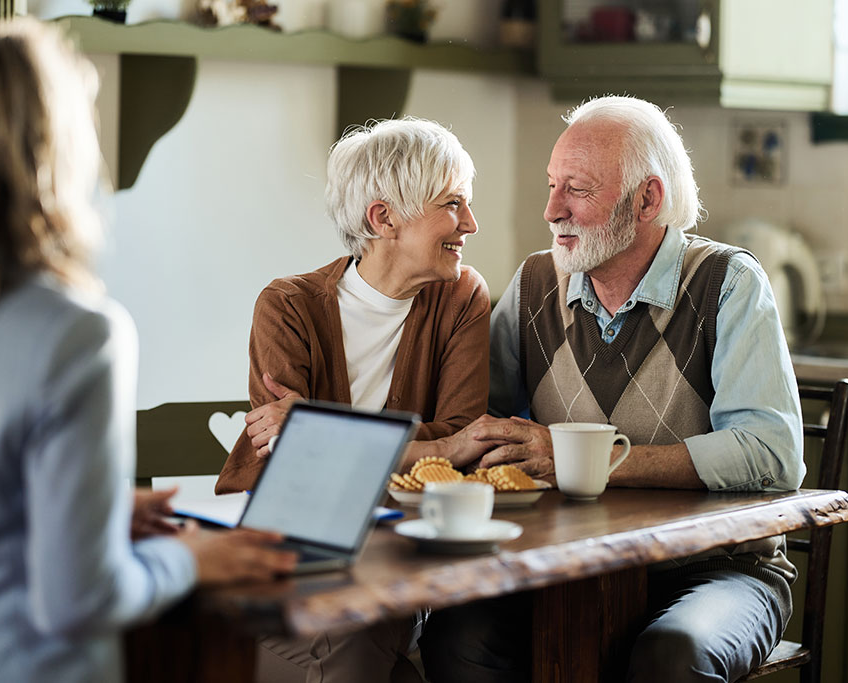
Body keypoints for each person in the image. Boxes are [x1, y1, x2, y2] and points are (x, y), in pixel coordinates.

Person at [0, 19, 296, 683]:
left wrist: (92, 510)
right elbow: (79, 598)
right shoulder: (77, 334)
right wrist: (193, 559)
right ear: (55, 149)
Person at [419, 95, 805, 683]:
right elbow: (478, 425)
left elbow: (773, 453)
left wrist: (589, 463)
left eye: (577, 189)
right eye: (552, 185)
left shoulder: (729, 284)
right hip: (564, 568)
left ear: (647, 199)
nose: (552, 210)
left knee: (672, 657)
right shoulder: (534, 284)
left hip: (718, 571)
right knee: (456, 637)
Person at [214, 117, 491, 682]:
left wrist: (321, 428)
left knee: (357, 635)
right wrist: (436, 446)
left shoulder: (463, 297)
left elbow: (465, 442)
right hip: (287, 557)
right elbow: (293, 466)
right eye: (453, 204)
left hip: (395, 561)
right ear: (383, 218)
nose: (471, 223)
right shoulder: (288, 306)